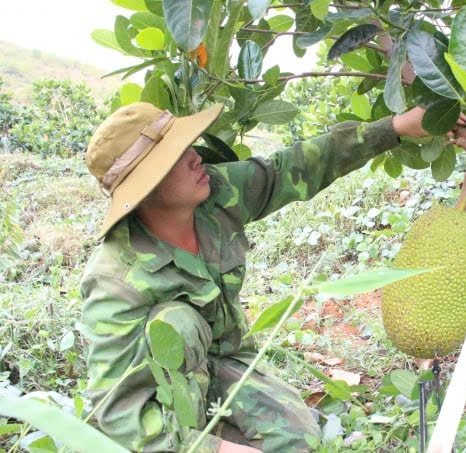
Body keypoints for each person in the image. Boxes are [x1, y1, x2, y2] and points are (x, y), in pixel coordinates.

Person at [80, 101, 447, 452]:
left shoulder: (218, 194)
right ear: (147, 185)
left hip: (226, 362)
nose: (195, 157)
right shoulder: (116, 281)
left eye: (187, 145)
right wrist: (213, 448)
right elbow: (117, 410)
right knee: (178, 323)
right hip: (163, 392)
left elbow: (289, 168)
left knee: (299, 439)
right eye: (176, 156)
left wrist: (395, 127)